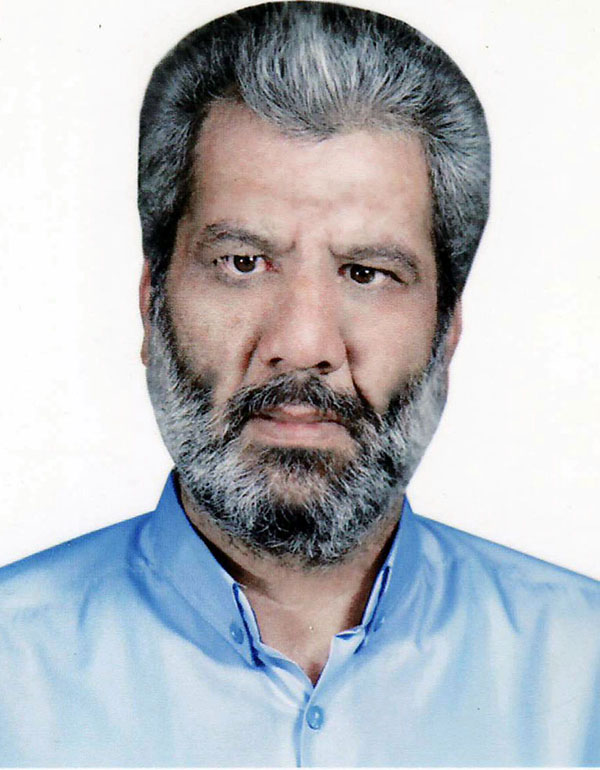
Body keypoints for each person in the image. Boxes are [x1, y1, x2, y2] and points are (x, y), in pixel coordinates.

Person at [0, 2, 598, 765]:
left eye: (367, 272)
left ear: (448, 327)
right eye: (243, 263)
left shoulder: (585, 676)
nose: (303, 344)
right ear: (152, 303)